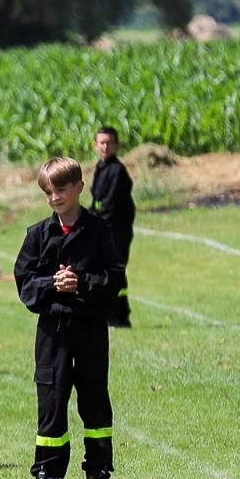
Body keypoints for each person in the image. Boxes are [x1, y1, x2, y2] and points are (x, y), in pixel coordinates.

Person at [14, 156, 124, 479]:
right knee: (51, 400)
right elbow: (25, 283)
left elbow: (113, 279)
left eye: (61, 190)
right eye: (48, 192)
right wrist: (52, 283)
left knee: (94, 398)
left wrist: (82, 283)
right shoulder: (37, 235)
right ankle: (47, 476)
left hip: (90, 329)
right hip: (53, 332)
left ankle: (98, 475)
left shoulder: (99, 231)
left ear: (79, 187)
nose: (54, 198)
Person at [90, 125, 135, 328]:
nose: (105, 147)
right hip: (104, 227)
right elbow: (97, 202)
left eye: (109, 143)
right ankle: (109, 313)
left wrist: (95, 222)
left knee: (115, 270)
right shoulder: (101, 167)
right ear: (95, 145)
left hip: (116, 230)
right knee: (105, 270)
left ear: (116, 145)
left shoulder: (117, 171)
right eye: (102, 143)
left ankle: (119, 316)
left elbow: (109, 205)